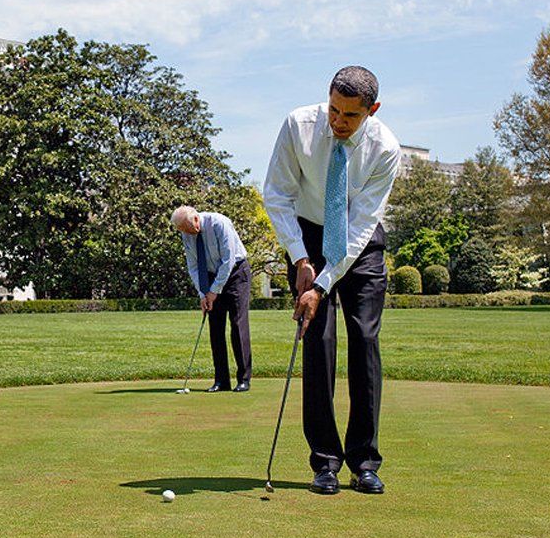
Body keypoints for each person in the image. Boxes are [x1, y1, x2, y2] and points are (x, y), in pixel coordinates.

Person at [263, 66, 400, 495]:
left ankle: (365, 462)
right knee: (317, 341)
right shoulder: (298, 125)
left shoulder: (385, 149)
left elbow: (360, 228)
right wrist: (300, 256)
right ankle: (325, 462)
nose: (338, 121)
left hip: (359, 244)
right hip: (306, 232)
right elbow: (277, 195)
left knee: (363, 340)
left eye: (350, 116)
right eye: (334, 110)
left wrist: (323, 284)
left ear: (371, 110)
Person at [171, 206, 253, 393]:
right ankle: (221, 381)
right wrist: (203, 294)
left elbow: (228, 260)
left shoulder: (219, 223)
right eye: (184, 231)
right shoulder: (186, 233)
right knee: (215, 327)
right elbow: (193, 266)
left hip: (236, 274)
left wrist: (214, 291)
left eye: (189, 229)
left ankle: (244, 379)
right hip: (209, 277)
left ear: (196, 220)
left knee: (238, 324)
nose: (188, 234)